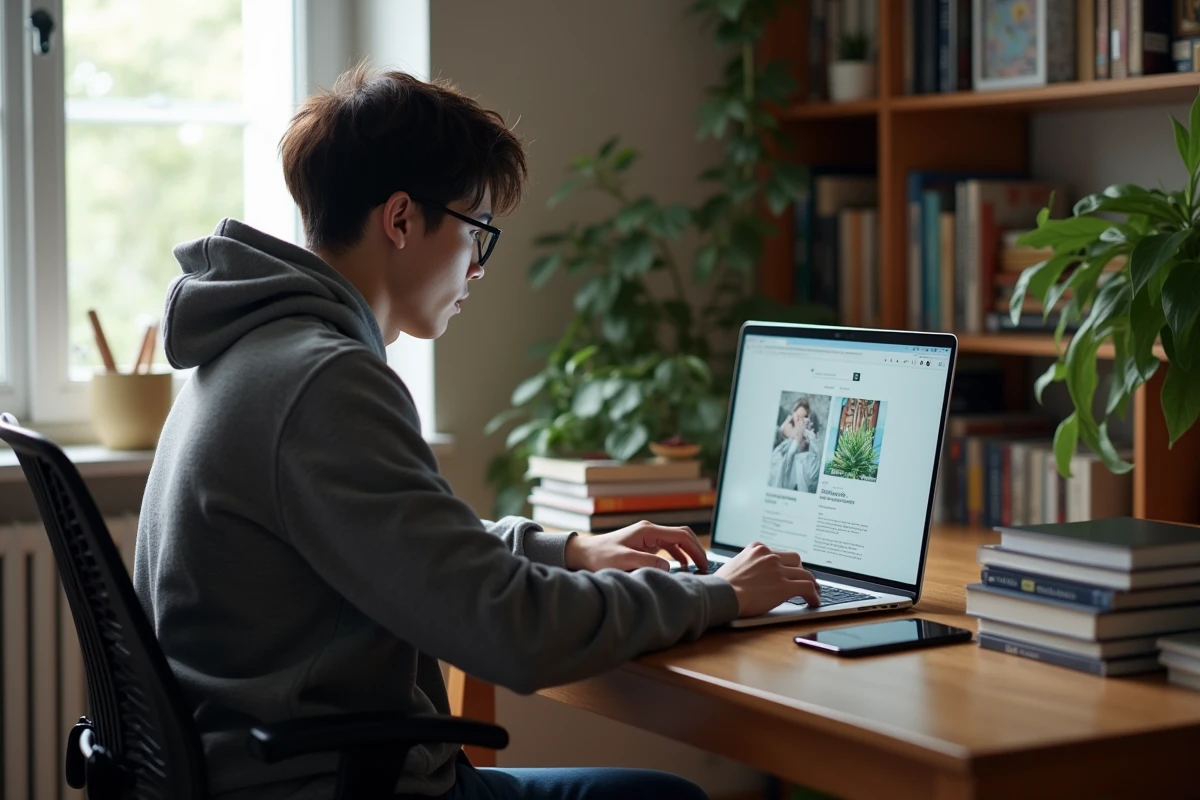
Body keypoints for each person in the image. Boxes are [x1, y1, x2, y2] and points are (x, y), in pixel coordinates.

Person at [133, 64, 820, 800]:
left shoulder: (256, 352)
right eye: (477, 230)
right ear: (400, 219)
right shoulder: (324, 384)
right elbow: (510, 631)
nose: (479, 268)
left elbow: (413, 551)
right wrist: (719, 593)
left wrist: (572, 550)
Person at [769, 398, 821, 493]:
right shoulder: (788, 427)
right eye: (796, 415)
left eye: (801, 417)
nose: (798, 419)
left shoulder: (807, 435)